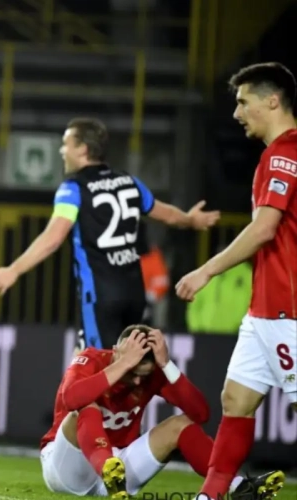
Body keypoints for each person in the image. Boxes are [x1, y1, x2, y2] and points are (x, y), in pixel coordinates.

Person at [0, 118, 221, 351]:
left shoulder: (73, 188)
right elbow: (167, 214)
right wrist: (190, 219)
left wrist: (14, 270)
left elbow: (53, 238)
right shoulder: (129, 182)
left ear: (83, 149)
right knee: (117, 366)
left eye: (67, 144)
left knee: (98, 370)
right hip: (134, 293)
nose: (62, 150)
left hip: (100, 294)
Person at [176, 61, 296, 500]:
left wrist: (206, 269)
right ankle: (210, 497)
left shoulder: (285, 153)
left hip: (290, 310)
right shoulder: (280, 154)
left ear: (273, 99)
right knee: (235, 400)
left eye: (243, 102)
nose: (236, 113)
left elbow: (265, 228)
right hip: (265, 310)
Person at [39, 325, 282, 500]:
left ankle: (241, 489)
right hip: (68, 468)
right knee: (84, 408)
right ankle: (109, 471)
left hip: (120, 465)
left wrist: (166, 364)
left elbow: (200, 413)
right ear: (116, 352)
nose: (136, 381)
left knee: (180, 425)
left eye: (141, 375)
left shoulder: (151, 376)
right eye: (131, 372)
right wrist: (121, 364)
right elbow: (70, 399)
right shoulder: (89, 359)